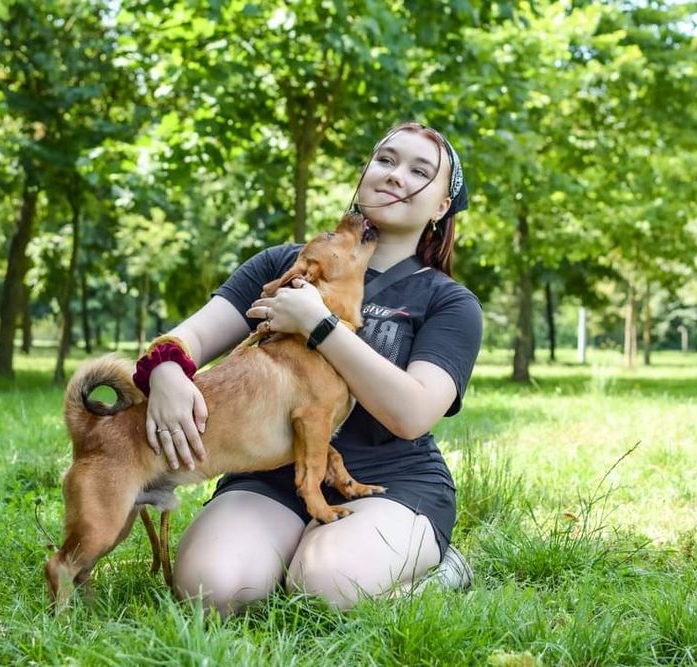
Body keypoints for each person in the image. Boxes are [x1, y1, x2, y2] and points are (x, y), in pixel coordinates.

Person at [139, 121, 482, 615]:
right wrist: (167, 371)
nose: (395, 175)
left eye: (419, 171)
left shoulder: (449, 301)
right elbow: (189, 337)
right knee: (210, 590)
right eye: (385, 160)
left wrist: (318, 325)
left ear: (441, 206)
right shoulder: (288, 262)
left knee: (324, 585)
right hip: (272, 476)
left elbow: (412, 414)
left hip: (391, 483)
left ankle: (441, 570)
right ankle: (292, 548)